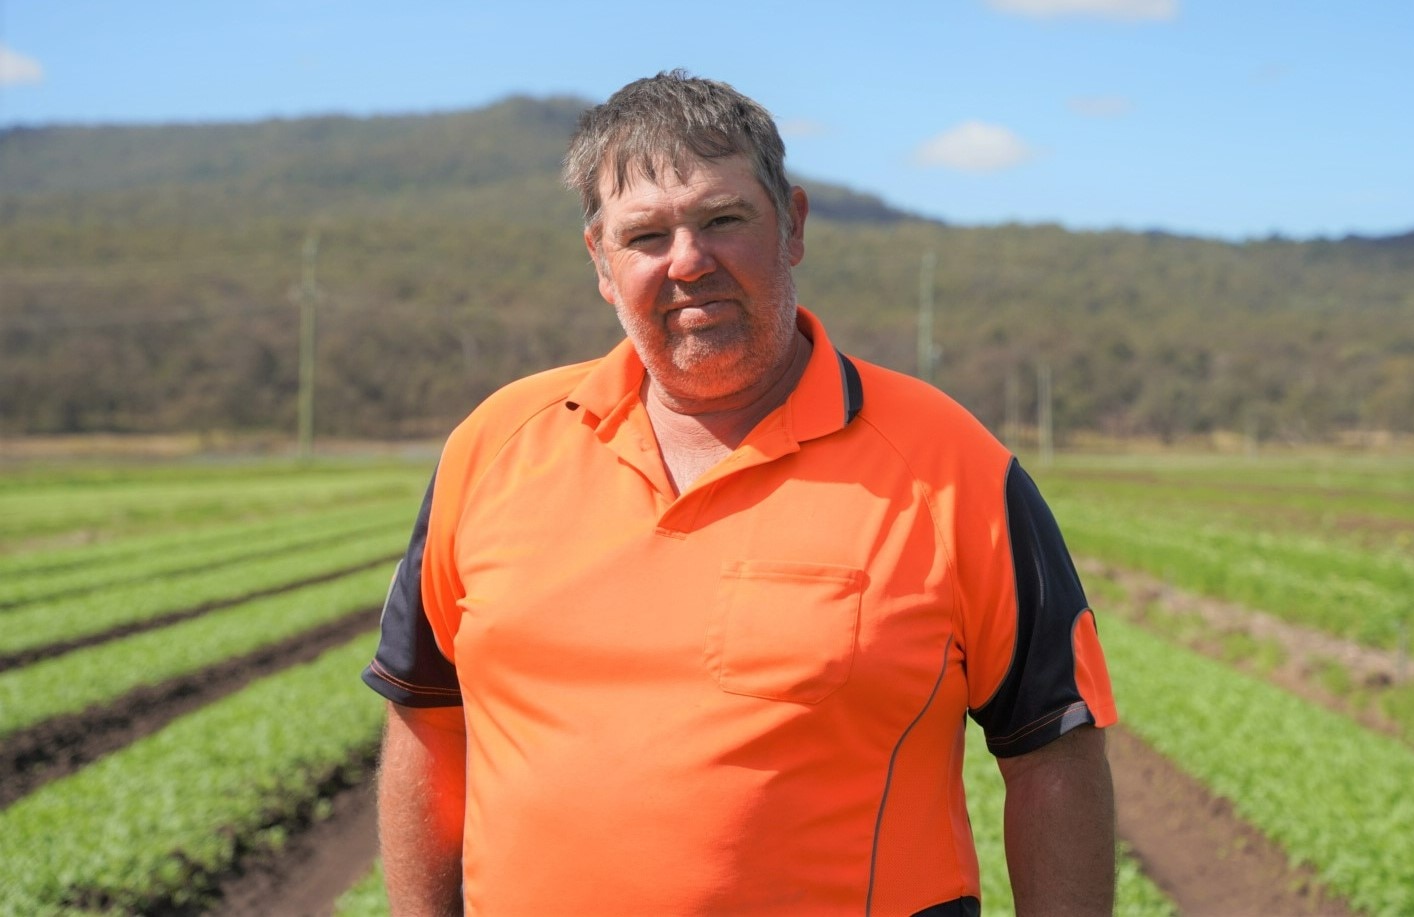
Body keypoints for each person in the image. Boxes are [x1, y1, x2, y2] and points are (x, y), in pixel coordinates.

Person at [363, 70, 1117, 916]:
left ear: (792, 225)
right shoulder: (495, 443)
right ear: (601, 264)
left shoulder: (951, 465)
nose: (689, 261)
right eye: (646, 235)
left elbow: (1053, 751)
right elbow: (427, 718)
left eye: (723, 219)